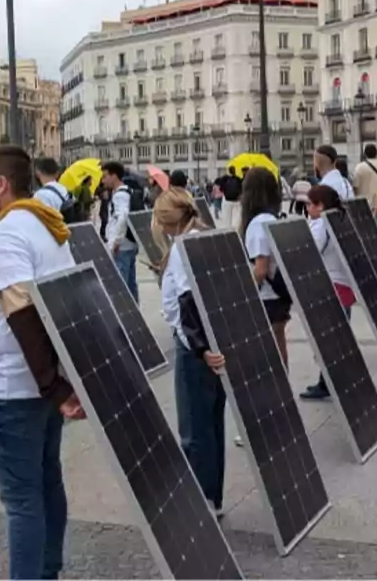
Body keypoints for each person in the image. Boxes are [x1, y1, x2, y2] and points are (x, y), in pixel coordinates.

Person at [0, 145, 84, 580]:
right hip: (42, 385)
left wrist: (54, 387)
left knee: (22, 503)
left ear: (2, 184)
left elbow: (20, 310)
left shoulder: (6, 234)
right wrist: (61, 382)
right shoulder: (48, 226)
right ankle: (48, 573)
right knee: (47, 486)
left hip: (13, 389)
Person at [153, 187, 227, 516]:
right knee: (211, 425)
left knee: (194, 429)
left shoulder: (183, 248)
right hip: (212, 344)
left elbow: (188, 304)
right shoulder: (202, 236)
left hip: (193, 350)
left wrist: (200, 349)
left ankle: (202, 503)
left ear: (165, 221)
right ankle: (213, 496)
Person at [300, 184, 358, 401]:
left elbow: (309, 251)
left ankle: (329, 383)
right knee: (338, 337)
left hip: (332, 285)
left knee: (328, 339)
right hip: (344, 285)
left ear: (320, 205)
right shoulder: (339, 218)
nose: (306, 208)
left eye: (309, 204)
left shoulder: (320, 224)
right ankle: (331, 380)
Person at [239, 168, 291, 367]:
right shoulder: (272, 218)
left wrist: (243, 294)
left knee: (268, 350)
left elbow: (261, 269)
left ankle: (277, 388)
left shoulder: (258, 224)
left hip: (268, 297)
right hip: (279, 294)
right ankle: (283, 386)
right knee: (278, 343)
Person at [101, 161, 139, 301]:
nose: (103, 180)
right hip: (129, 244)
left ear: (114, 176)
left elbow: (122, 217)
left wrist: (116, 242)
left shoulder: (119, 195)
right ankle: (135, 315)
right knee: (130, 285)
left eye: (105, 176)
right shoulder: (128, 190)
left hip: (122, 247)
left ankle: (127, 317)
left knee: (121, 287)